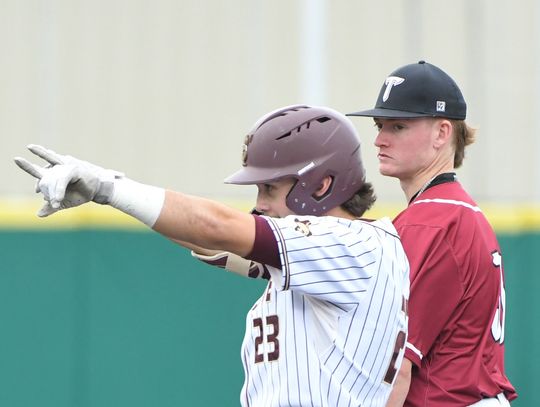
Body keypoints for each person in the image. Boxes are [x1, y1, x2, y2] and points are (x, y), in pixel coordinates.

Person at [15, 105, 410, 407]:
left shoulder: (355, 246)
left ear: (322, 185)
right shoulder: (330, 254)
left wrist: (109, 188)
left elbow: (218, 227)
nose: (259, 205)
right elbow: (214, 243)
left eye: (270, 189)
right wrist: (114, 194)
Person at [347, 61, 517, 406]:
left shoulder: (431, 221)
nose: (379, 139)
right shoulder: (461, 213)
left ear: (442, 133)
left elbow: (396, 370)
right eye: (381, 125)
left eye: (398, 126)